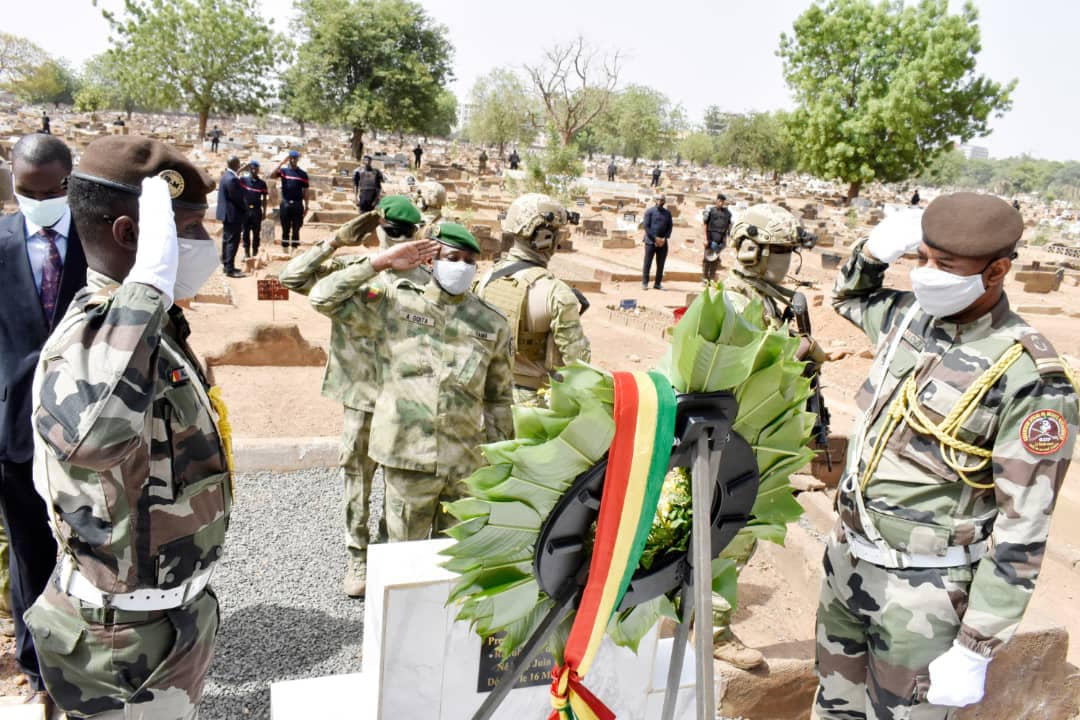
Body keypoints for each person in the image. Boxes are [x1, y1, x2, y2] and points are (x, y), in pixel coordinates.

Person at [813, 193, 1078, 719]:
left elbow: (1023, 526)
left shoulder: (1028, 376)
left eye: (946, 265)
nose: (927, 275)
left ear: (996, 271)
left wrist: (977, 645)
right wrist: (872, 252)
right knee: (833, 708)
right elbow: (846, 296)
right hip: (848, 563)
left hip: (924, 595)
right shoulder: (910, 319)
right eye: (923, 258)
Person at [30, 135, 230, 719]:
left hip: (167, 624)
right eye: (186, 229)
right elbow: (95, 436)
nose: (202, 243)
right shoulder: (89, 338)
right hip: (119, 643)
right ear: (130, 235)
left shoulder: (153, 327)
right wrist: (147, 288)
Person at [309, 224, 513, 542]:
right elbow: (322, 298)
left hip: (464, 463)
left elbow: (498, 399)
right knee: (404, 555)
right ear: (430, 261)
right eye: (453, 258)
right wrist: (380, 262)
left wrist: (500, 462)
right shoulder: (395, 303)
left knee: (455, 557)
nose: (462, 266)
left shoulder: (492, 322)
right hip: (408, 458)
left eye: (469, 260)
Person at [280, 196, 428, 597]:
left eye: (401, 232)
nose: (396, 236)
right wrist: (336, 242)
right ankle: (359, 558)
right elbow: (291, 279)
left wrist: (339, 245)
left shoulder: (426, 280)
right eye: (395, 231)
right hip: (363, 395)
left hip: (402, 398)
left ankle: (380, 551)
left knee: (390, 480)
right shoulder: (354, 270)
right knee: (361, 478)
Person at [712, 203, 828, 670]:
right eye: (781, 251)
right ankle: (713, 628)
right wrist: (799, 350)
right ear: (750, 250)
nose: (787, 260)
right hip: (736, 436)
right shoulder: (738, 300)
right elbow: (742, 368)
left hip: (751, 431)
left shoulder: (760, 296)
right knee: (735, 531)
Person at [0, 134, 86, 711]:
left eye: (51, 191)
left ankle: (89, 653)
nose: (38, 202)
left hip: (86, 429)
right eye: (26, 192)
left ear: (68, 183)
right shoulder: (1, 241)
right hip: (13, 431)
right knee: (29, 551)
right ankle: (37, 666)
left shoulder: (99, 239)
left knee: (89, 551)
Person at [475, 193, 591, 404]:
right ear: (545, 237)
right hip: (532, 409)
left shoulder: (485, 279)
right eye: (557, 233)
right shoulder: (557, 293)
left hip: (486, 396)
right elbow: (579, 366)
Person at [272, 149, 309, 250]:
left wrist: (307, 206)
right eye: (291, 158)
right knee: (285, 228)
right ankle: (285, 250)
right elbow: (272, 175)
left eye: (295, 158)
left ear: (298, 159)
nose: (293, 160)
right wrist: (281, 163)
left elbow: (306, 191)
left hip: (297, 204)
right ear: (289, 159)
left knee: (296, 228)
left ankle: (294, 250)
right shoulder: (284, 171)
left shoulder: (303, 174)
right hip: (285, 203)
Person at [216, 155, 246, 277]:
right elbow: (237, 198)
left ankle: (227, 265)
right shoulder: (232, 179)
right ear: (236, 164)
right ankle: (230, 269)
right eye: (239, 163)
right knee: (232, 242)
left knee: (227, 240)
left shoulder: (226, 176)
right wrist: (245, 209)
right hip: (233, 215)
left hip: (227, 214)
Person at [641, 194, 673, 290]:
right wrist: (655, 238)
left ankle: (657, 283)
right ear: (655, 200)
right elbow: (646, 226)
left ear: (664, 201)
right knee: (647, 262)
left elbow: (670, 227)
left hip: (663, 242)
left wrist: (665, 238)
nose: (660, 202)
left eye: (662, 200)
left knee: (661, 264)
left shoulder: (667, 213)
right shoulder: (649, 212)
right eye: (658, 200)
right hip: (650, 241)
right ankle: (645, 283)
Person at [240, 160, 268, 258]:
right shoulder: (243, 180)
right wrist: (242, 168)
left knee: (256, 233)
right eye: (252, 168)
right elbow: (233, 178)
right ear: (249, 169)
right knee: (245, 232)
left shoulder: (262, 183)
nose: (253, 171)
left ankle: (255, 253)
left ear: (258, 170)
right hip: (245, 211)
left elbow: (264, 198)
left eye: (255, 169)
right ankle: (246, 253)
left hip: (256, 211)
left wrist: (264, 212)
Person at [702, 193, 732, 282]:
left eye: (722, 201)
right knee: (707, 259)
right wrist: (705, 239)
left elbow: (728, 227)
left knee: (715, 260)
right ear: (716, 201)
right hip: (710, 238)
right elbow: (705, 225)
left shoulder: (727, 213)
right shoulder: (711, 211)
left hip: (720, 240)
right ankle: (705, 277)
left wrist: (725, 240)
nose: (721, 203)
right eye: (719, 201)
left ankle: (712, 278)